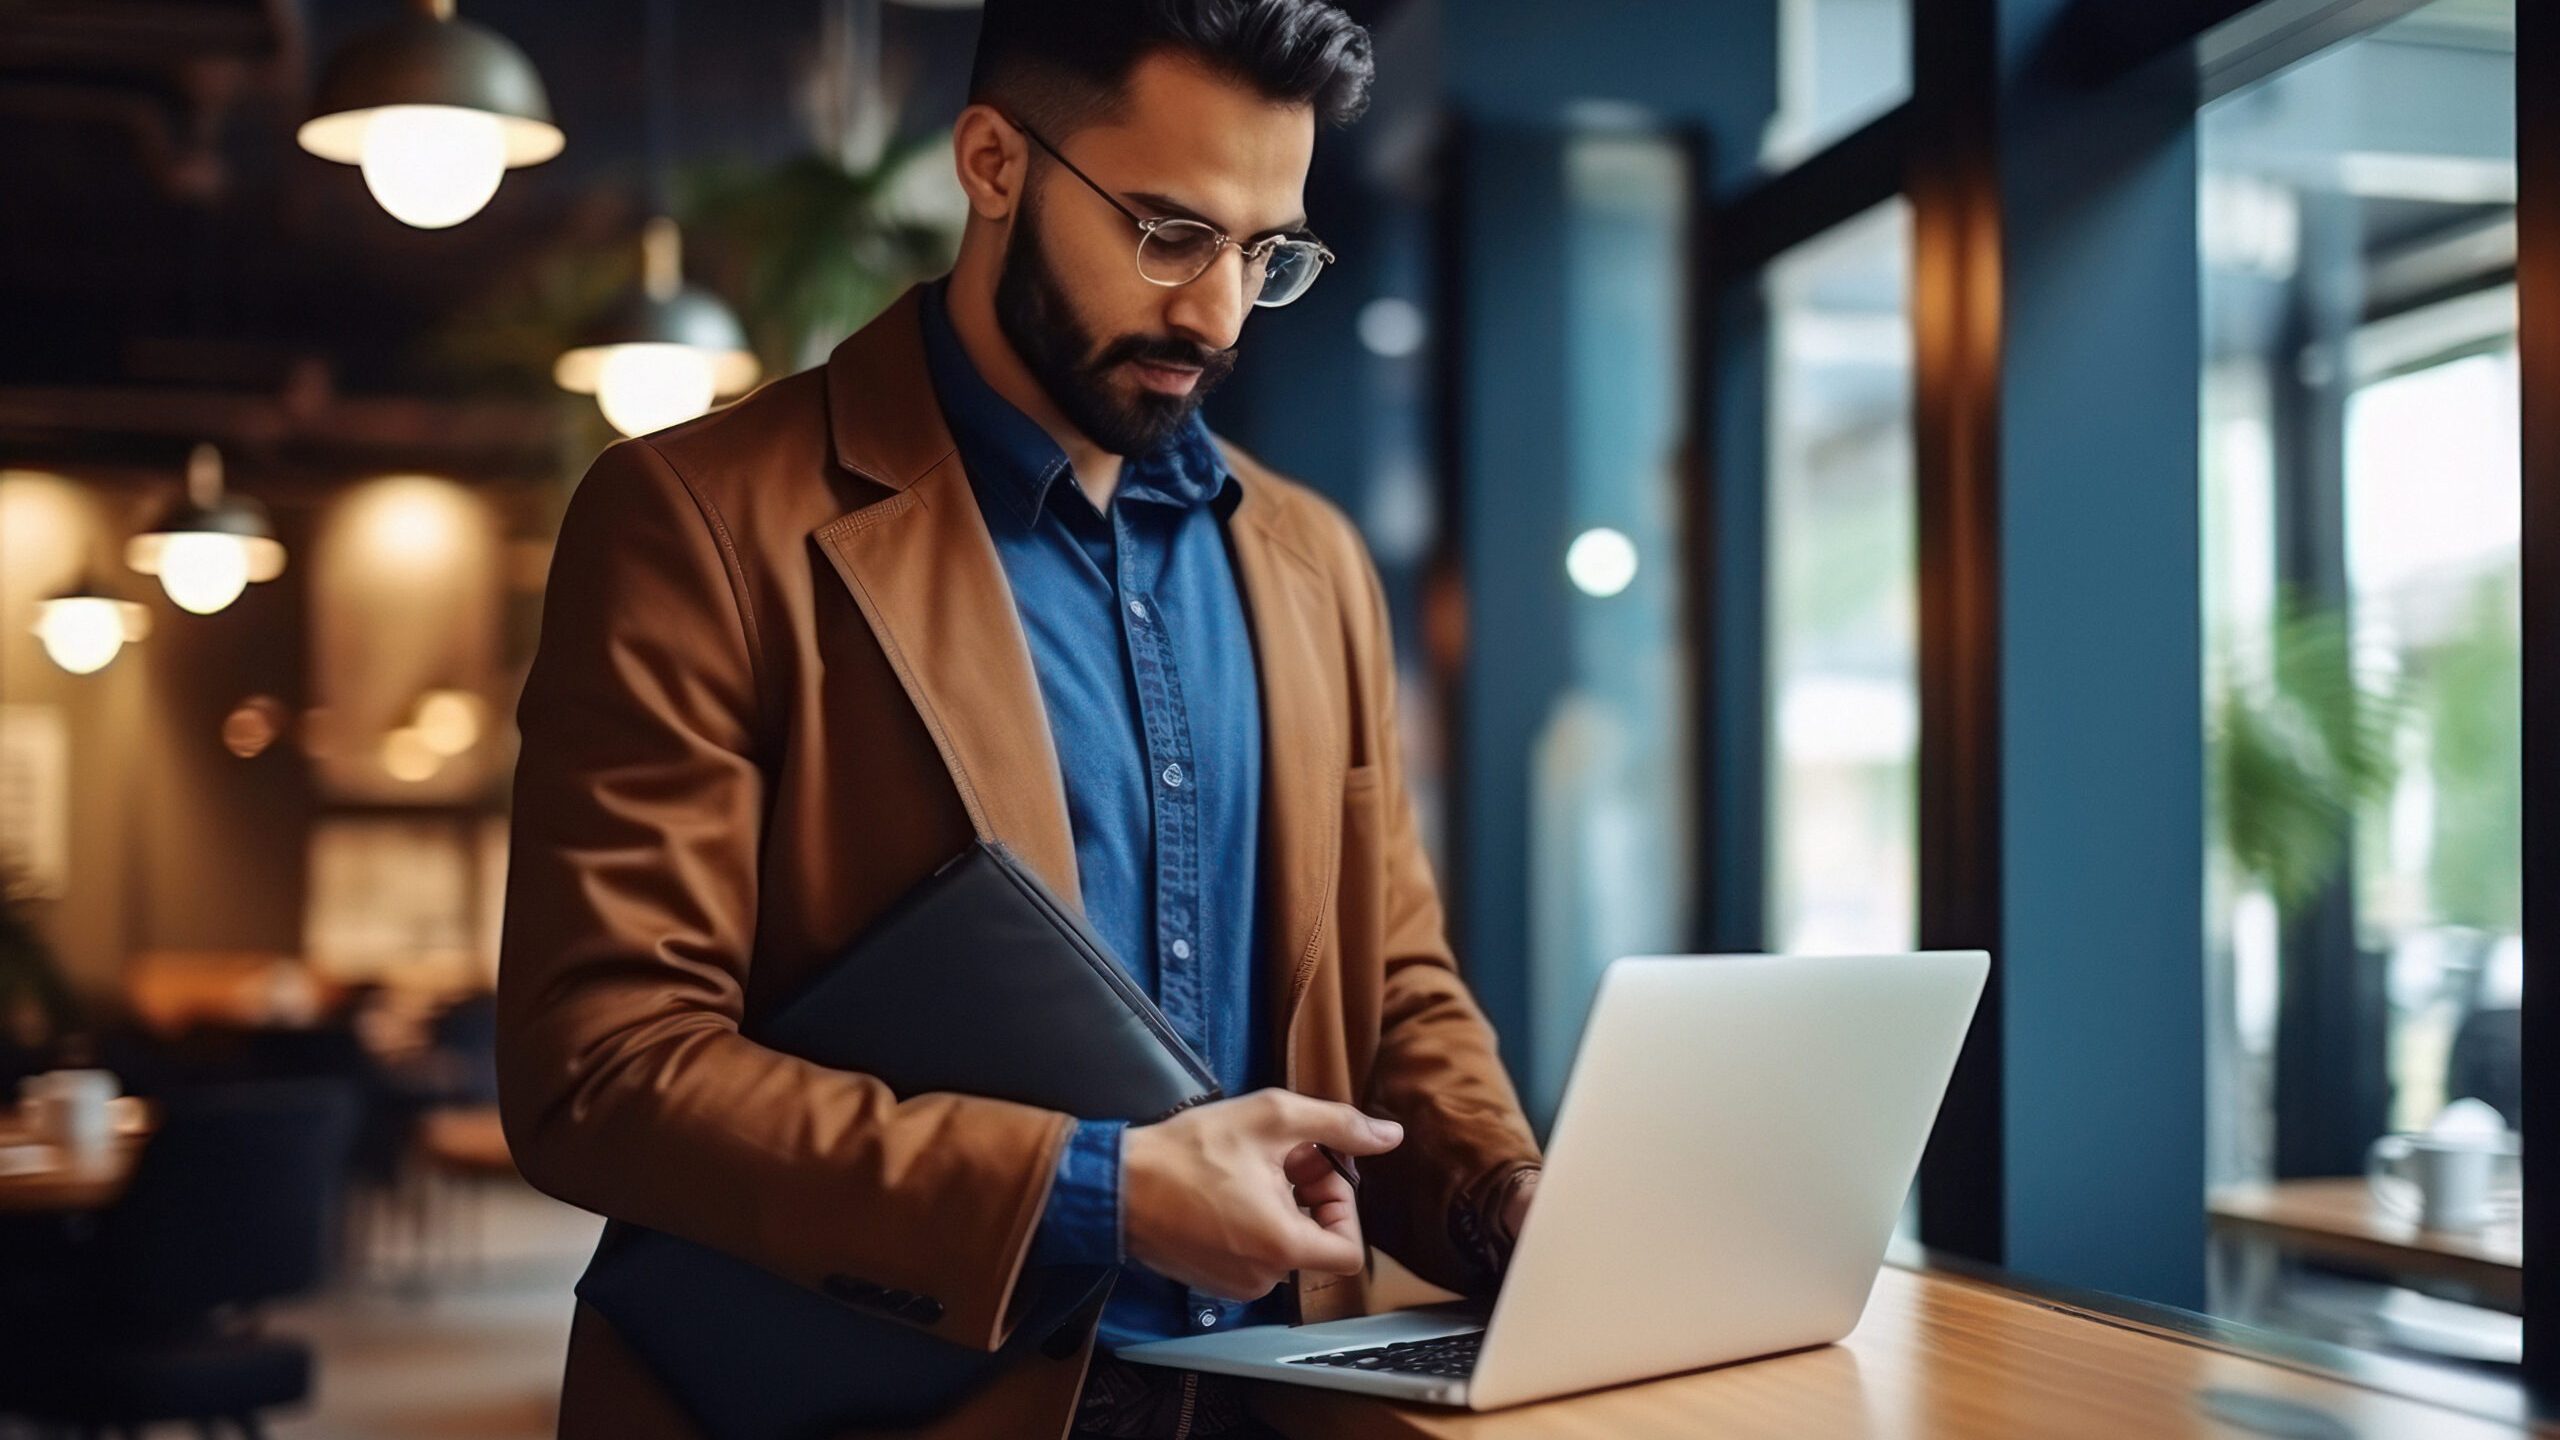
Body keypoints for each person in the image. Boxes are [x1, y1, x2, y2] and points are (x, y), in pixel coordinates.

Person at [494, 2, 1543, 1436]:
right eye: (1169, 234)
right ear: (993, 163)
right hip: (892, 1405)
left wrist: (1506, 1198)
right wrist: (1099, 1194)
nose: (1219, 313)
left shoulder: (1314, 563)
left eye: (1266, 253)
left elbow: (1391, 984)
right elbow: (604, 1069)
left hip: (1273, 1401)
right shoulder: (699, 522)